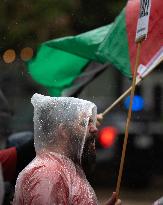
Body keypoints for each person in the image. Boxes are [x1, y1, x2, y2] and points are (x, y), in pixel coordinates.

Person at [13, 93, 121, 205]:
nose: (95, 129)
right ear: (64, 130)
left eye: (92, 122)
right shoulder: (48, 174)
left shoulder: (64, 168)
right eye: (85, 123)